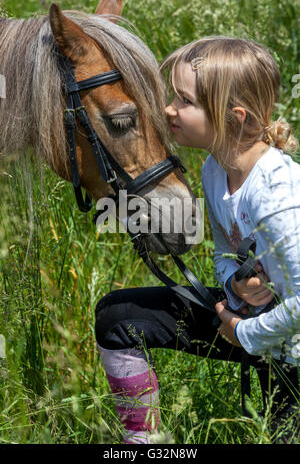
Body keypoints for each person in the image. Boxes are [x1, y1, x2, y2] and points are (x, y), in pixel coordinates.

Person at [95, 36, 300, 444]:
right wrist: (233, 282)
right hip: (247, 323)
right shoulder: (213, 169)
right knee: (117, 318)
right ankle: (143, 444)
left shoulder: (277, 193)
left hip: (289, 351)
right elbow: (225, 252)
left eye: (184, 100)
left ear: (233, 117)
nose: (168, 108)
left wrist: (243, 334)